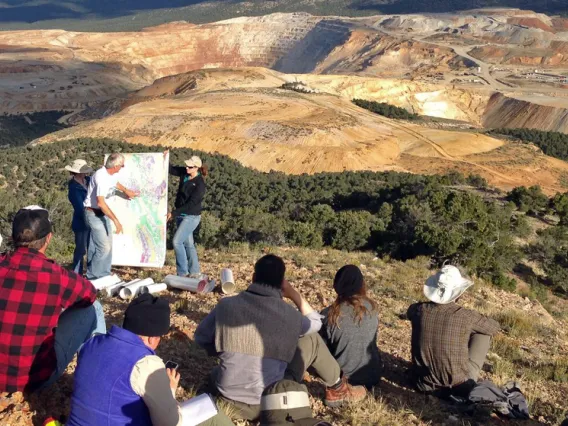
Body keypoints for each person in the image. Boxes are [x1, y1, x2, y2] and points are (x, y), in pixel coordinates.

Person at [195, 254, 366, 421]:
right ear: (282, 283)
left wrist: (225, 349)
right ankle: (338, 388)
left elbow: (201, 338)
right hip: (272, 403)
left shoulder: (226, 306)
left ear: (253, 277)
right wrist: (293, 294)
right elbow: (316, 323)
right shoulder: (290, 315)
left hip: (229, 402)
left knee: (217, 372)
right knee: (312, 340)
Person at [68, 293, 234, 426]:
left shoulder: (91, 344)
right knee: (215, 416)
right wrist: (169, 390)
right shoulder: (145, 363)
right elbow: (169, 423)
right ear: (153, 338)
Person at [0, 205, 105, 393]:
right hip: (32, 379)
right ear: (48, 239)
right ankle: (97, 381)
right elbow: (89, 295)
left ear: (12, 238)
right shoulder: (56, 276)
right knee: (93, 308)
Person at [407, 265, 501, 398]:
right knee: (482, 333)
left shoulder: (417, 310)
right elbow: (494, 327)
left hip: (422, 384)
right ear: (458, 293)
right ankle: (467, 378)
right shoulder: (465, 316)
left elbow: (410, 312)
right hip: (459, 387)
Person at [320, 265, 381, 388]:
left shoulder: (329, 315)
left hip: (341, 380)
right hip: (373, 377)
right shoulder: (373, 309)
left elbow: (323, 351)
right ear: (361, 284)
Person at [83, 153, 139, 280]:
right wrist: (116, 221)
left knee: (106, 245)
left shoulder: (110, 174)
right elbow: (100, 203)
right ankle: (93, 277)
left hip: (101, 213)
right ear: (115, 166)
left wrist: (126, 191)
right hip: (93, 213)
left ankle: (104, 273)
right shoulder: (101, 177)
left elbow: (116, 183)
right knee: (104, 247)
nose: (122, 167)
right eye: (122, 165)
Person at [166, 153, 207, 277]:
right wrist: (165, 157)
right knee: (188, 244)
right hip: (181, 215)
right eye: (186, 166)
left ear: (196, 168)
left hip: (191, 216)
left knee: (177, 242)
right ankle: (194, 272)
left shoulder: (200, 185)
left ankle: (182, 273)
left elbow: (191, 204)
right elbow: (171, 169)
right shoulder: (185, 173)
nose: (186, 168)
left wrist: (173, 213)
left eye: (190, 167)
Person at [65, 159, 93, 275]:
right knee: (81, 249)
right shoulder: (73, 188)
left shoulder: (88, 180)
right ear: (76, 172)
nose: (85, 173)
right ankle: (76, 274)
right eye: (83, 171)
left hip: (92, 218)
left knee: (92, 248)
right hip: (81, 222)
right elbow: (79, 207)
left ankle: (92, 273)